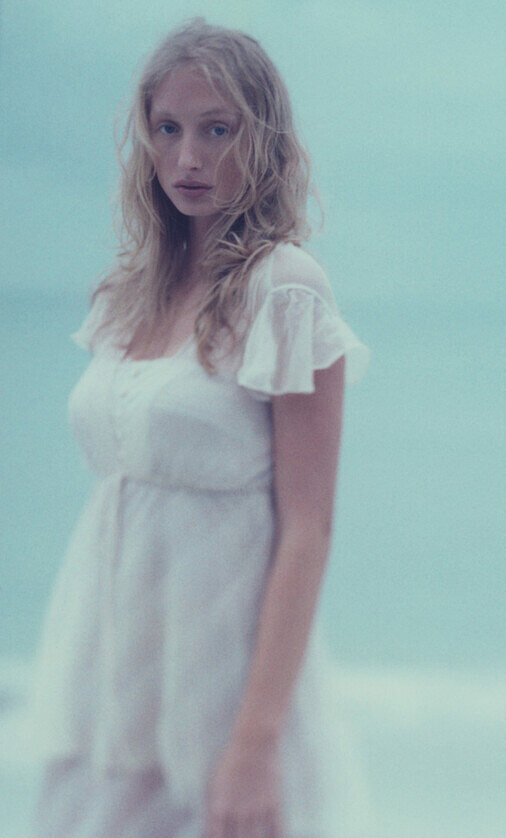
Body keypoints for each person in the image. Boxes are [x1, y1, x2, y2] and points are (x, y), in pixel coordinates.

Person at [25, 18, 370, 838]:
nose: (188, 158)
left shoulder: (285, 289)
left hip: (219, 696)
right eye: (168, 129)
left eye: (218, 130)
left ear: (264, 140)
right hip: (108, 688)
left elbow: (309, 531)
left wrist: (254, 744)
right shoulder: (127, 292)